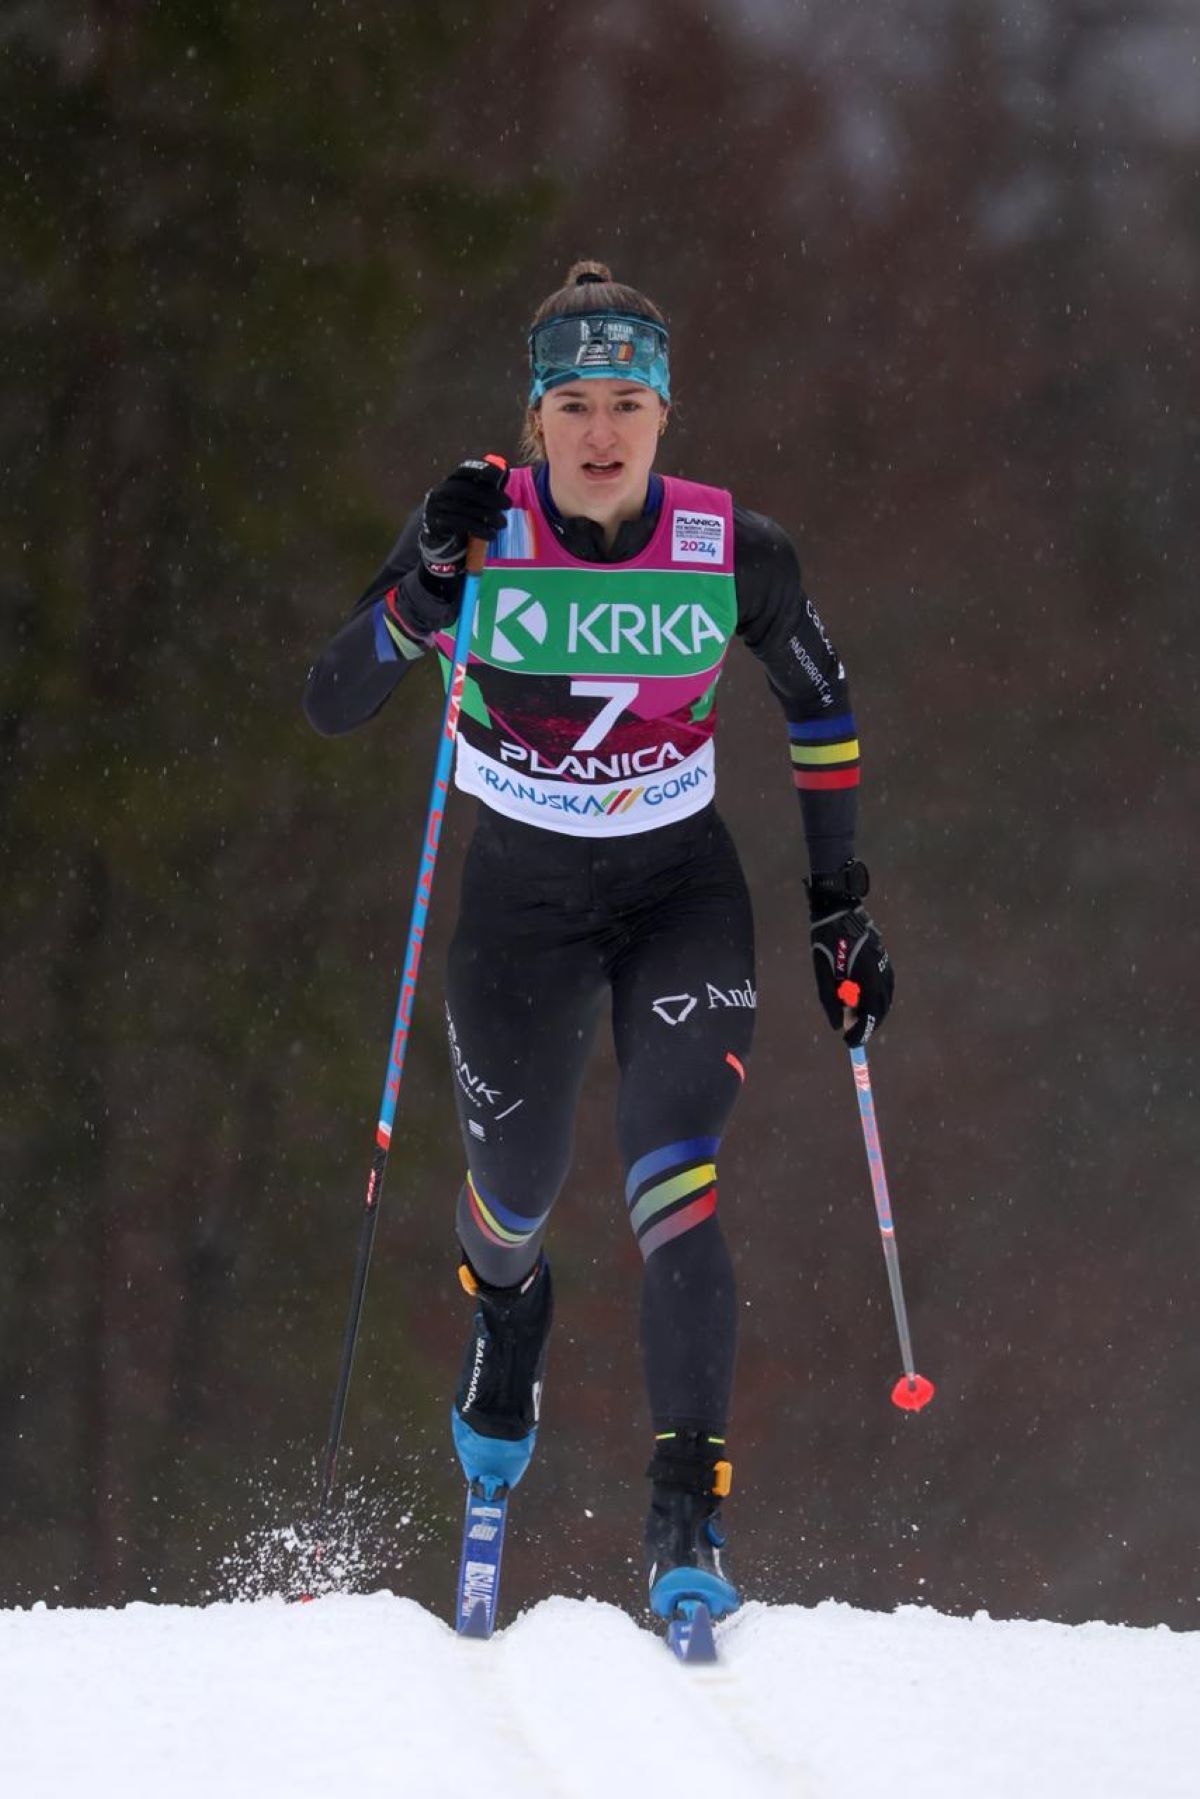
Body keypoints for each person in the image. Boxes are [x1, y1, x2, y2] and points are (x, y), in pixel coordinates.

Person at [304, 260, 895, 1624]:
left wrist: (839, 904)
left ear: (666, 411)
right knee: (516, 1188)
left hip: (679, 892)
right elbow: (333, 699)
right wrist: (424, 596)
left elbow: (822, 711)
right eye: (573, 400)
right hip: (521, 904)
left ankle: (688, 1508)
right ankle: (509, 1308)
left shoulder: (732, 549)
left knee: (670, 1177)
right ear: (535, 416)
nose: (601, 429)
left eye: (629, 398)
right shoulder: (477, 526)